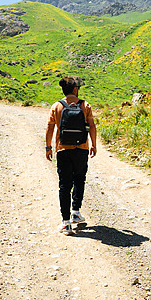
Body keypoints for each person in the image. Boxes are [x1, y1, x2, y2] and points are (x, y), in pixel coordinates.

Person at [45, 76, 97, 235]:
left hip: (63, 150)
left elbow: (50, 128)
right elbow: (92, 126)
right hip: (81, 149)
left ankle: (65, 223)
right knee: (79, 179)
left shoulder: (56, 106)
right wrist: (94, 144)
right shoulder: (85, 105)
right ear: (75, 89)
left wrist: (48, 147)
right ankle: (75, 212)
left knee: (64, 184)